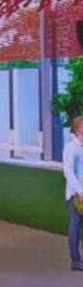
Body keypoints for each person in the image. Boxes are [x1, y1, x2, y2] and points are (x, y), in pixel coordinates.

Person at [63, 116, 83, 271]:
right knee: (75, 226)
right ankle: (75, 260)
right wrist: (79, 190)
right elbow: (68, 171)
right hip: (75, 194)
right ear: (78, 130)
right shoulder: (71, 148)